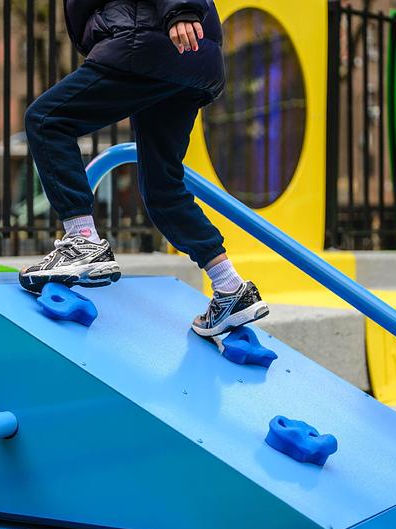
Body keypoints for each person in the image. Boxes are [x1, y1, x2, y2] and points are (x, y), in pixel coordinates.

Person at [19, 0, 269, 337]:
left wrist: (180, 9)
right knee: (161, 188)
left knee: (47, 120)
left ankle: (83, 241)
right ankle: (230, 287)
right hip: (185, 56)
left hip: (150, 40)